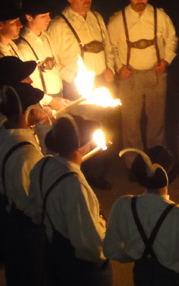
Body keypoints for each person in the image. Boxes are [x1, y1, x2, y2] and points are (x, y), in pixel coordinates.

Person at [104, 146, 179, 285]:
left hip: (142, 279)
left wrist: (133, 252)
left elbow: (110, 249)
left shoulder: (123, 206)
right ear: (170, 177)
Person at [26, 115, 112, 286]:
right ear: (80, 147)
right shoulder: (75, 185)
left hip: (52, 255)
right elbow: (88, 244)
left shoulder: (42, 165)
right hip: (79, 269)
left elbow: (35, 209)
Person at [107, 0, 177, 171]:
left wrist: (166, 60)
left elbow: (172, 38)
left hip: (156, 75)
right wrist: (120, 67)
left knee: (157, 120)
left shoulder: (159, 16)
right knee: (130, 122)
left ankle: (157, 160)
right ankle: (134, 164)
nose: (140, 0)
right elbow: (110, 47)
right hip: (130, 78)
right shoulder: (117, 20)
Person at [0, 83, 48, 286]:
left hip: (10, 216)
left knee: (15, 273)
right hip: (27, 227)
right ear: (26, 113)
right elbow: (34, 204)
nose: (39, 108)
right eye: (36, 106)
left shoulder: (3, 132)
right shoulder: (28, 155)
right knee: (32, 275)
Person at [48, 0, 115, 98]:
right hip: (76, 88)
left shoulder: (97, 17)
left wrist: (110, 68)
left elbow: (108, 47)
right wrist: (71, 77)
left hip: (102, 82)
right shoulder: (58, 26)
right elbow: (53, 62)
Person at [18, 0, 69, 111]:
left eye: (49, 15)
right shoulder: (22, 48)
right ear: (29, 17)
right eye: (43, 16)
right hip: (41, 105)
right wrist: (49, 101)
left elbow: (56, 68)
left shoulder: (46, 37)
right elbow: (26, 86)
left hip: (58, 98)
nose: (49, 19)